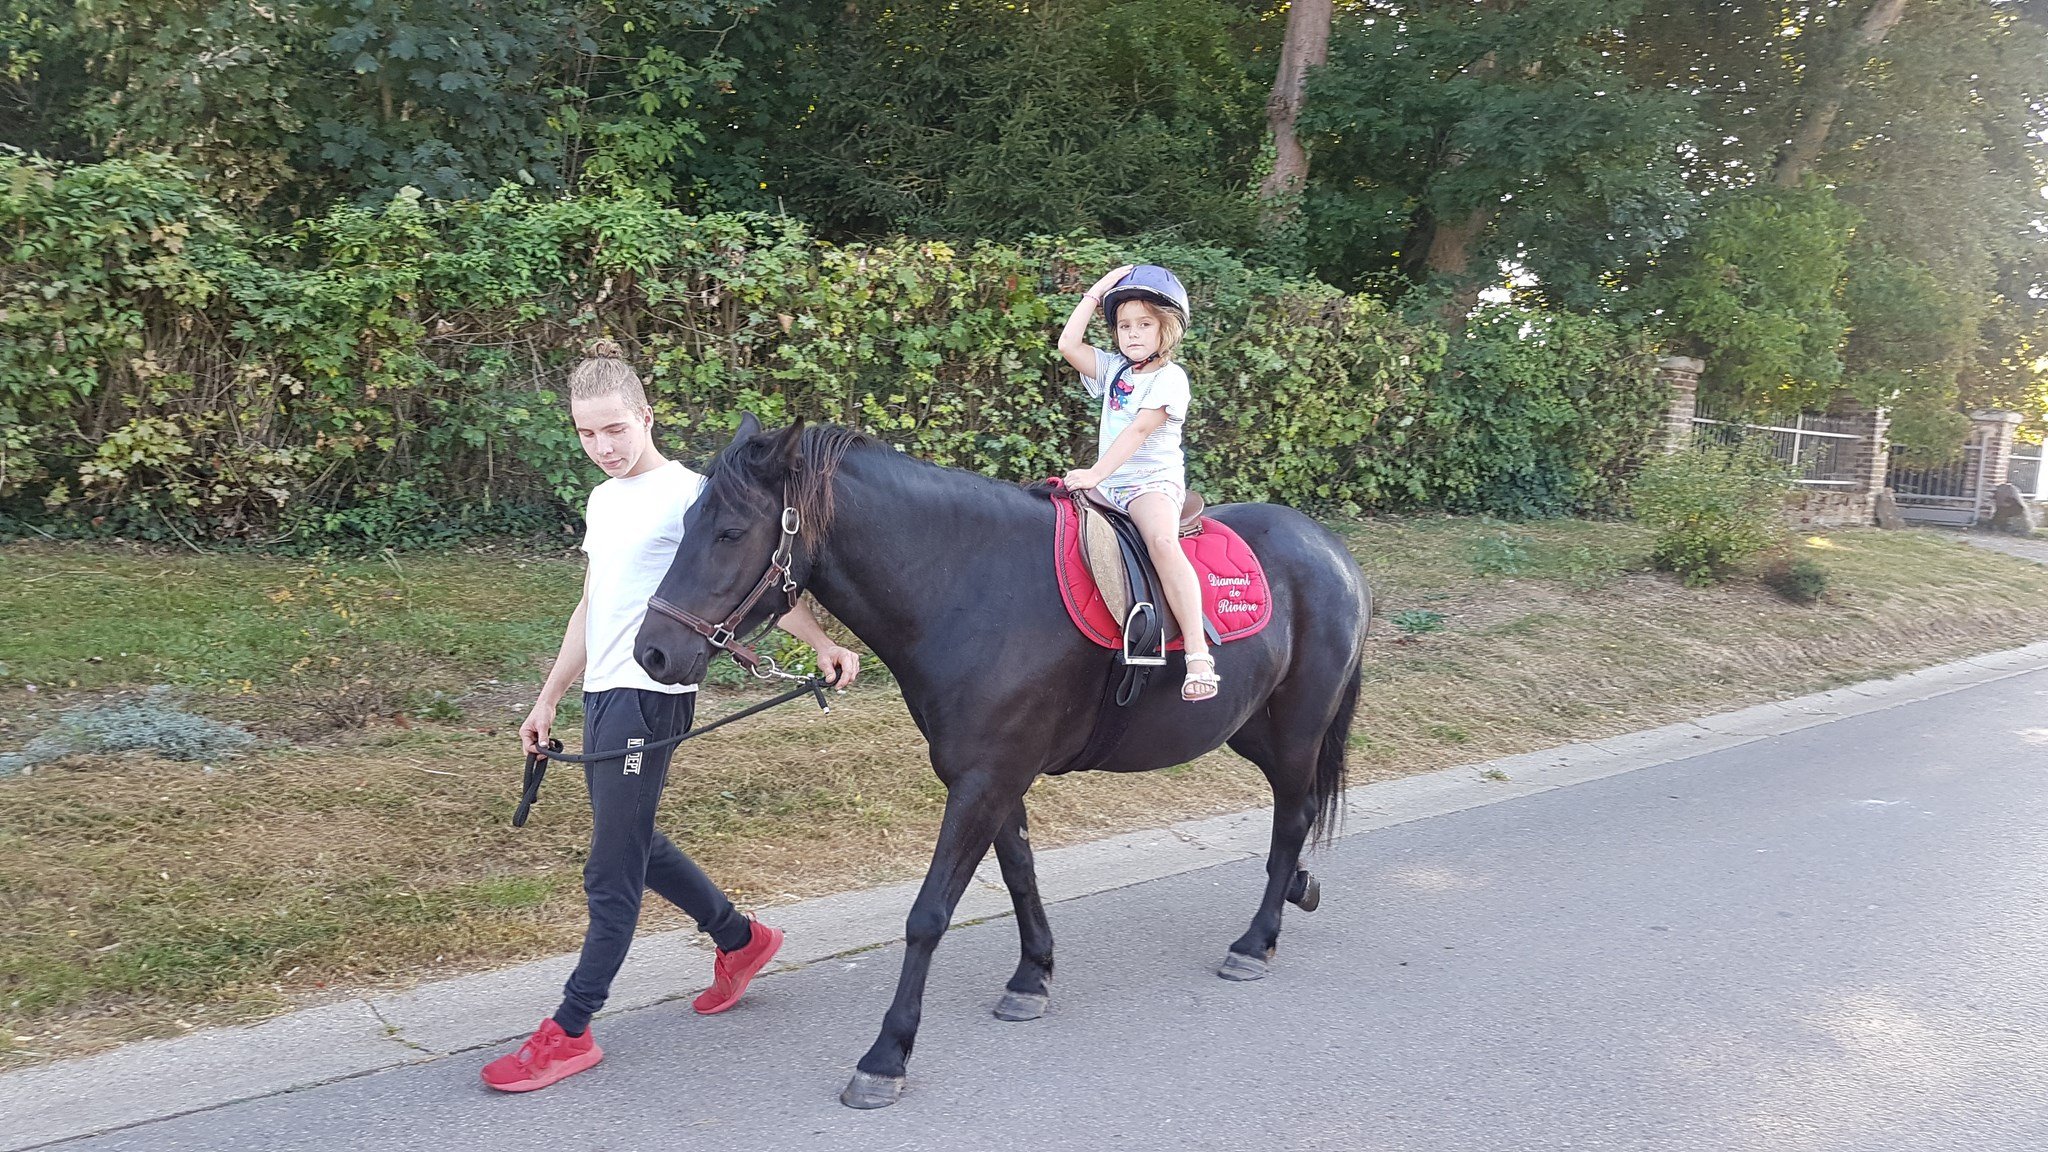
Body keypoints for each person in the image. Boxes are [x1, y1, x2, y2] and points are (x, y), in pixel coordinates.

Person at [483, 339, 861, 1092]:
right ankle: (740, 939)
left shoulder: (692, 495)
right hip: (604, 694)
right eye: (587, 433)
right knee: (632, 838)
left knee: (610, 868)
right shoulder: (604, 500)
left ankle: (570, 1030)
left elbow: (747, 577)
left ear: (645, 416)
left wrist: (822, 642)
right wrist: (549, 696)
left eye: (614, 428)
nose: (603, 446)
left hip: (653, 696)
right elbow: (592, 605)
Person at [1056, 264, 1218, 702]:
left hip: (1149, 484)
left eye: (1144, 324)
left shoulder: (1170, 378)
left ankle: (1198, 654)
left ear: (1167, 329)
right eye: (1124, 325)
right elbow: (1068, 344)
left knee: (1162, 544)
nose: (1132, 334)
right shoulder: (1114, 370)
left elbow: (1139, 430)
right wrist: (1097, 292)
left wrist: (1094, 474)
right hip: (1108, 485)